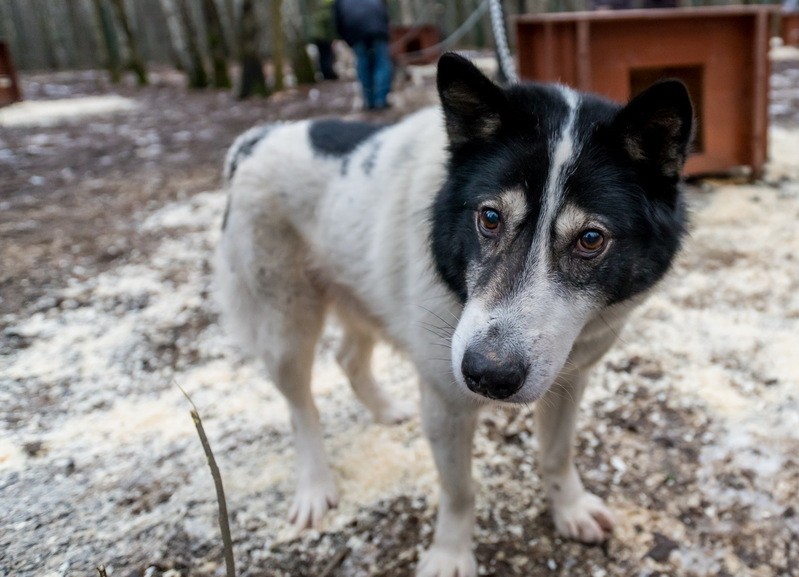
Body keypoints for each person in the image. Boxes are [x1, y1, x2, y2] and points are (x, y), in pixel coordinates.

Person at [333, 0, 393, 109]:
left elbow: (338, 23)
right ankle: (381, 99)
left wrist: (348, 40)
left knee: (363, 61)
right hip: (378, 28)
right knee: (381, 62)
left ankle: (369, 100)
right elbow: (385, 14)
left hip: (356, 30)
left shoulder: (339, 2)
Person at [310, 0, 338, 80]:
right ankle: (328, 73)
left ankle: (324, 73)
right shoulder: (328, 13)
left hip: (317, 37)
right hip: (324, 37)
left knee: (322, 56)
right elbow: (329, 28)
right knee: (327, 55)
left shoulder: (319, 11)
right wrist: (332, 38)